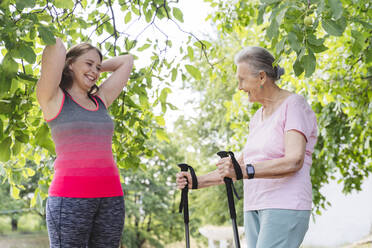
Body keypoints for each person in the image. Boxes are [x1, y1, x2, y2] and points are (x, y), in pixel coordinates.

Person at [176, 46, 318, 248]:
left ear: (261, 77)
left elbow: (294, 160)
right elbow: (239, 166)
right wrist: (197, 181)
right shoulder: (257, 118)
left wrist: (244, 171)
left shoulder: (294, 105)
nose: (240, 87)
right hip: (255, 206)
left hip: (284, 205)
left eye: (242, 80)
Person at [36, 37, 133, 247]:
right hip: (70, 198)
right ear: (69, 64)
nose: (95, 72)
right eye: (89, 64)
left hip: (111, 197)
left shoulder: (101, 99)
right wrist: (74, 63)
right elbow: (56, 45)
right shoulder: (53, 98)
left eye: (98, 68)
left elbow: (127, 60)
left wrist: (92, 66)